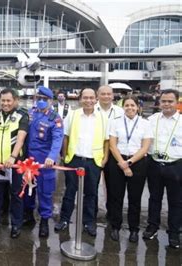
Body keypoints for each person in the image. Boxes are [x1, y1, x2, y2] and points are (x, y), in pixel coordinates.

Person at [55, 88, 109, 237]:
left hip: (93, 161)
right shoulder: (72, 115)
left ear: (96, 99)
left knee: (91, 194)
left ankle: (89, 222)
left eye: (92, 98)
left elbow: (106, 140)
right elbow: (65, 137)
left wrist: (104, 158)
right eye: (85, 98)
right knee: (70, 192)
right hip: (74, 159)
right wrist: (65, 156)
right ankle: (64, 219)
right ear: (80, 99)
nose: (88, 101)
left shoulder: (103, 117)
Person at [107, 95, 151, 242]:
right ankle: (115, 226)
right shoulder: (115, 122)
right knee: (115, 197)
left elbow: (145, 147)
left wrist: (129, 163)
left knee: (135, 198)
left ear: (138, 107)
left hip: (137, 162)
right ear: (123, 107)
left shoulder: (145, 123)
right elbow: (113, 145)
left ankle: (134, 229)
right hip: (117, 161)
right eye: (127, 105)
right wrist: (122, 163)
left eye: (133, 105)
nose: (130, 108)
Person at [0, 88, 28, 239]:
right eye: (3, 100)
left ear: (15, 100)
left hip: (15, 164)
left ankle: (16, 224)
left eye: (8, 100)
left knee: (16, 194)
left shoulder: (22, 115)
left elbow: (21, 138)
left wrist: (13, 157)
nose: (5, 103)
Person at [22, 86, 64, 237]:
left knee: (45, 192)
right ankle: (28, 215)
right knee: (28, 188)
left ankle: (45, 220)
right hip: (28, 160)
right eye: (38, 98)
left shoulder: (55, 118)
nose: (40, 101)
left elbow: (58, 139)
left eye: (44, 99)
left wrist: (52, 157)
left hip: (45, 162)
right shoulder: (30, 113)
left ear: (50, 100)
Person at [143, 89, 181, 249]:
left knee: (176, 202)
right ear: (159, 103)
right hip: (154, 164)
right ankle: (152, 226)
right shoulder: (151, 120)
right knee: (154, 198)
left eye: (170, 101)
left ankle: (174, 233)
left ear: (177, 102)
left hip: (176, 165)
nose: (166, 104)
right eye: (163, 101)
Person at [96, 85, 124, 219]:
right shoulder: (91, 109)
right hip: (94, 150)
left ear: (113, 96)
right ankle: (91, 212)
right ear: (98, 95)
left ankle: (111, 213)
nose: (106, 96)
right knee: (92, 185)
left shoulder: (120, 111)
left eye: (109, 94)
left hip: (114, 151)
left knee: (112, 185)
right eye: (103, 94)